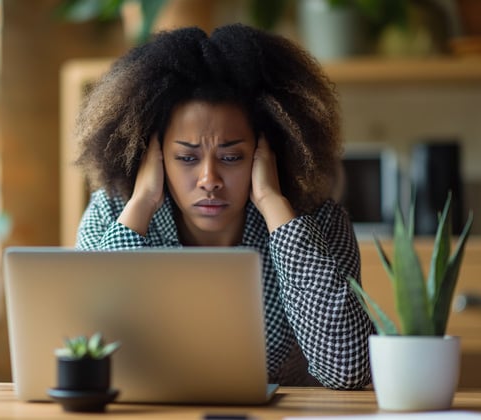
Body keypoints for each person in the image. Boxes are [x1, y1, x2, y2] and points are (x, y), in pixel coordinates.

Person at [73, 23, 373, 389]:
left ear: (269, 153)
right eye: (186, 157)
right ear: (153, 156)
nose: (209, 179)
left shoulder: (319, 221)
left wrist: (274, 205)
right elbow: (85, 358)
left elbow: (348, 370)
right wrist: (140, 205)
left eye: (231, 157)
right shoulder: (112, 213)